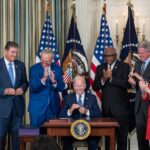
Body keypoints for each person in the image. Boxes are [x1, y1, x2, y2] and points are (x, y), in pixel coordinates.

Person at [92, 47, 130, 150]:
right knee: (108, 140)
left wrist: (112, 78)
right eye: (105, 56)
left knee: (122, 140)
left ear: (115, 55)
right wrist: (104, 79)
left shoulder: (124, 66)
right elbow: (95, 86)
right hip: (107, 110)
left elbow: (127, 84)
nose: (107, 58)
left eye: (109, 56)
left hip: (121, 111)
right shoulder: (100, 67)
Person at [59, 75, 102, 150]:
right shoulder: (68, 98)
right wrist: (70, 110)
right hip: (71, 131)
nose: (79, 88)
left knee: (93, 141)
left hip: (90, 131)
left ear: (85, 86)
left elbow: (99, 115)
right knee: (66, 141)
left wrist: (86, 111)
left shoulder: (92, 98)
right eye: (77, 85)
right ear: (73, 86)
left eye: (81, 85)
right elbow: (60, 116)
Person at [0, 41, 28, 150]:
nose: (15, 55)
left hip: (17, 109)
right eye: (12, 52)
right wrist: (5, 91)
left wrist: (22, 89)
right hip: (2, 109)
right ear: (5, 51)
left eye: (16, 52)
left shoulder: (20, 65)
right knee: (1, 137)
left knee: (17, 138)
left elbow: (25, 82)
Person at [28, 49, 65, 127]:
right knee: (36, 135)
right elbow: (34, 88)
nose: (44, 63)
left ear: (52, 59)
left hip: (53, 108)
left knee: (52, 136)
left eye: (47, 61)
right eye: (42, 60)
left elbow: (62, 87)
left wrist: (54, 81)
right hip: (37, 108)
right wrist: (43, 79)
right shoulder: (33, 69)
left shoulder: (57, 69)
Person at [128, 40, 150, 150]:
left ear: (149, 52)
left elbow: (147, 83)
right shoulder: (138, 63)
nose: (139, 55)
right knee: (141, 136)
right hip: (139, 105)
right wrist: (132, 82)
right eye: (139, 52)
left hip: (149, 105)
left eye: (141, 53)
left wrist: (138, 76)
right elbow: (136, 83)